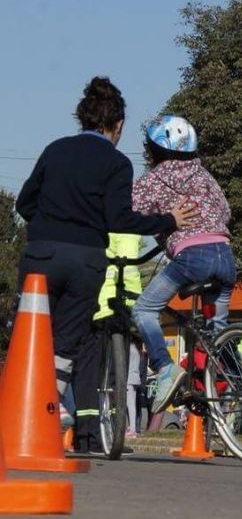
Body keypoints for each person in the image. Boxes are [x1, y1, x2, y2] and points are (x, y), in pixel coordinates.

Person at [15, 77, 196, 407]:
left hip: (41, 254)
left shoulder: (55, 149)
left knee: (28, 333)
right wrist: (169, 220)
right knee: (66, 342)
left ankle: (16, 409)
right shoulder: (117, 163)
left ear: (83, 118)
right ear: (119, 124)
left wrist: (48, 226)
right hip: (85, 261)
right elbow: (120, 221)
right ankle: (46, 412)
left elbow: (24, 203)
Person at [131, 113, 236, 413]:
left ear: (154, 150)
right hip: (225, 255)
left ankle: (165, 368)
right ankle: (240, 378)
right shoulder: (205, 175)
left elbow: (127, 212)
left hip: (192, 258)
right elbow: (225, 211)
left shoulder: (154, 179)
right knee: (218, 331)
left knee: (144, 310)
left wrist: (162, 226)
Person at [69, 232, 143, 454]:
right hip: (116, 306)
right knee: (110, 379)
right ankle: (102, 437)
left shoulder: (96, 218)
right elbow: (129, 268)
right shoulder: (127, 226)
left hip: (91, 303)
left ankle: (86, 436)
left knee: (88, 372)